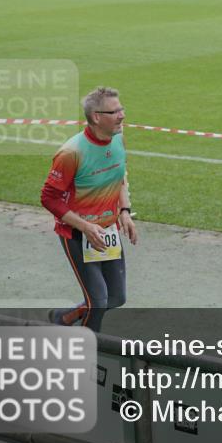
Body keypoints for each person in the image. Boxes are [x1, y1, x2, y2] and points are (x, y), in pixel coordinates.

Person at [41, 86, 137, 331]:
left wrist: (125, 210)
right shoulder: (71, 152)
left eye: (122, 109)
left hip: (107, 230)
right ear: (96, 117)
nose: (122, 115)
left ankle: (64, 318)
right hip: (77, 234)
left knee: (116, 298)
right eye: (115, 111)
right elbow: (49, 198)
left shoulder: (118, 137)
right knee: (98, 302)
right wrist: (85, 227)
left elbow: (119, 174)